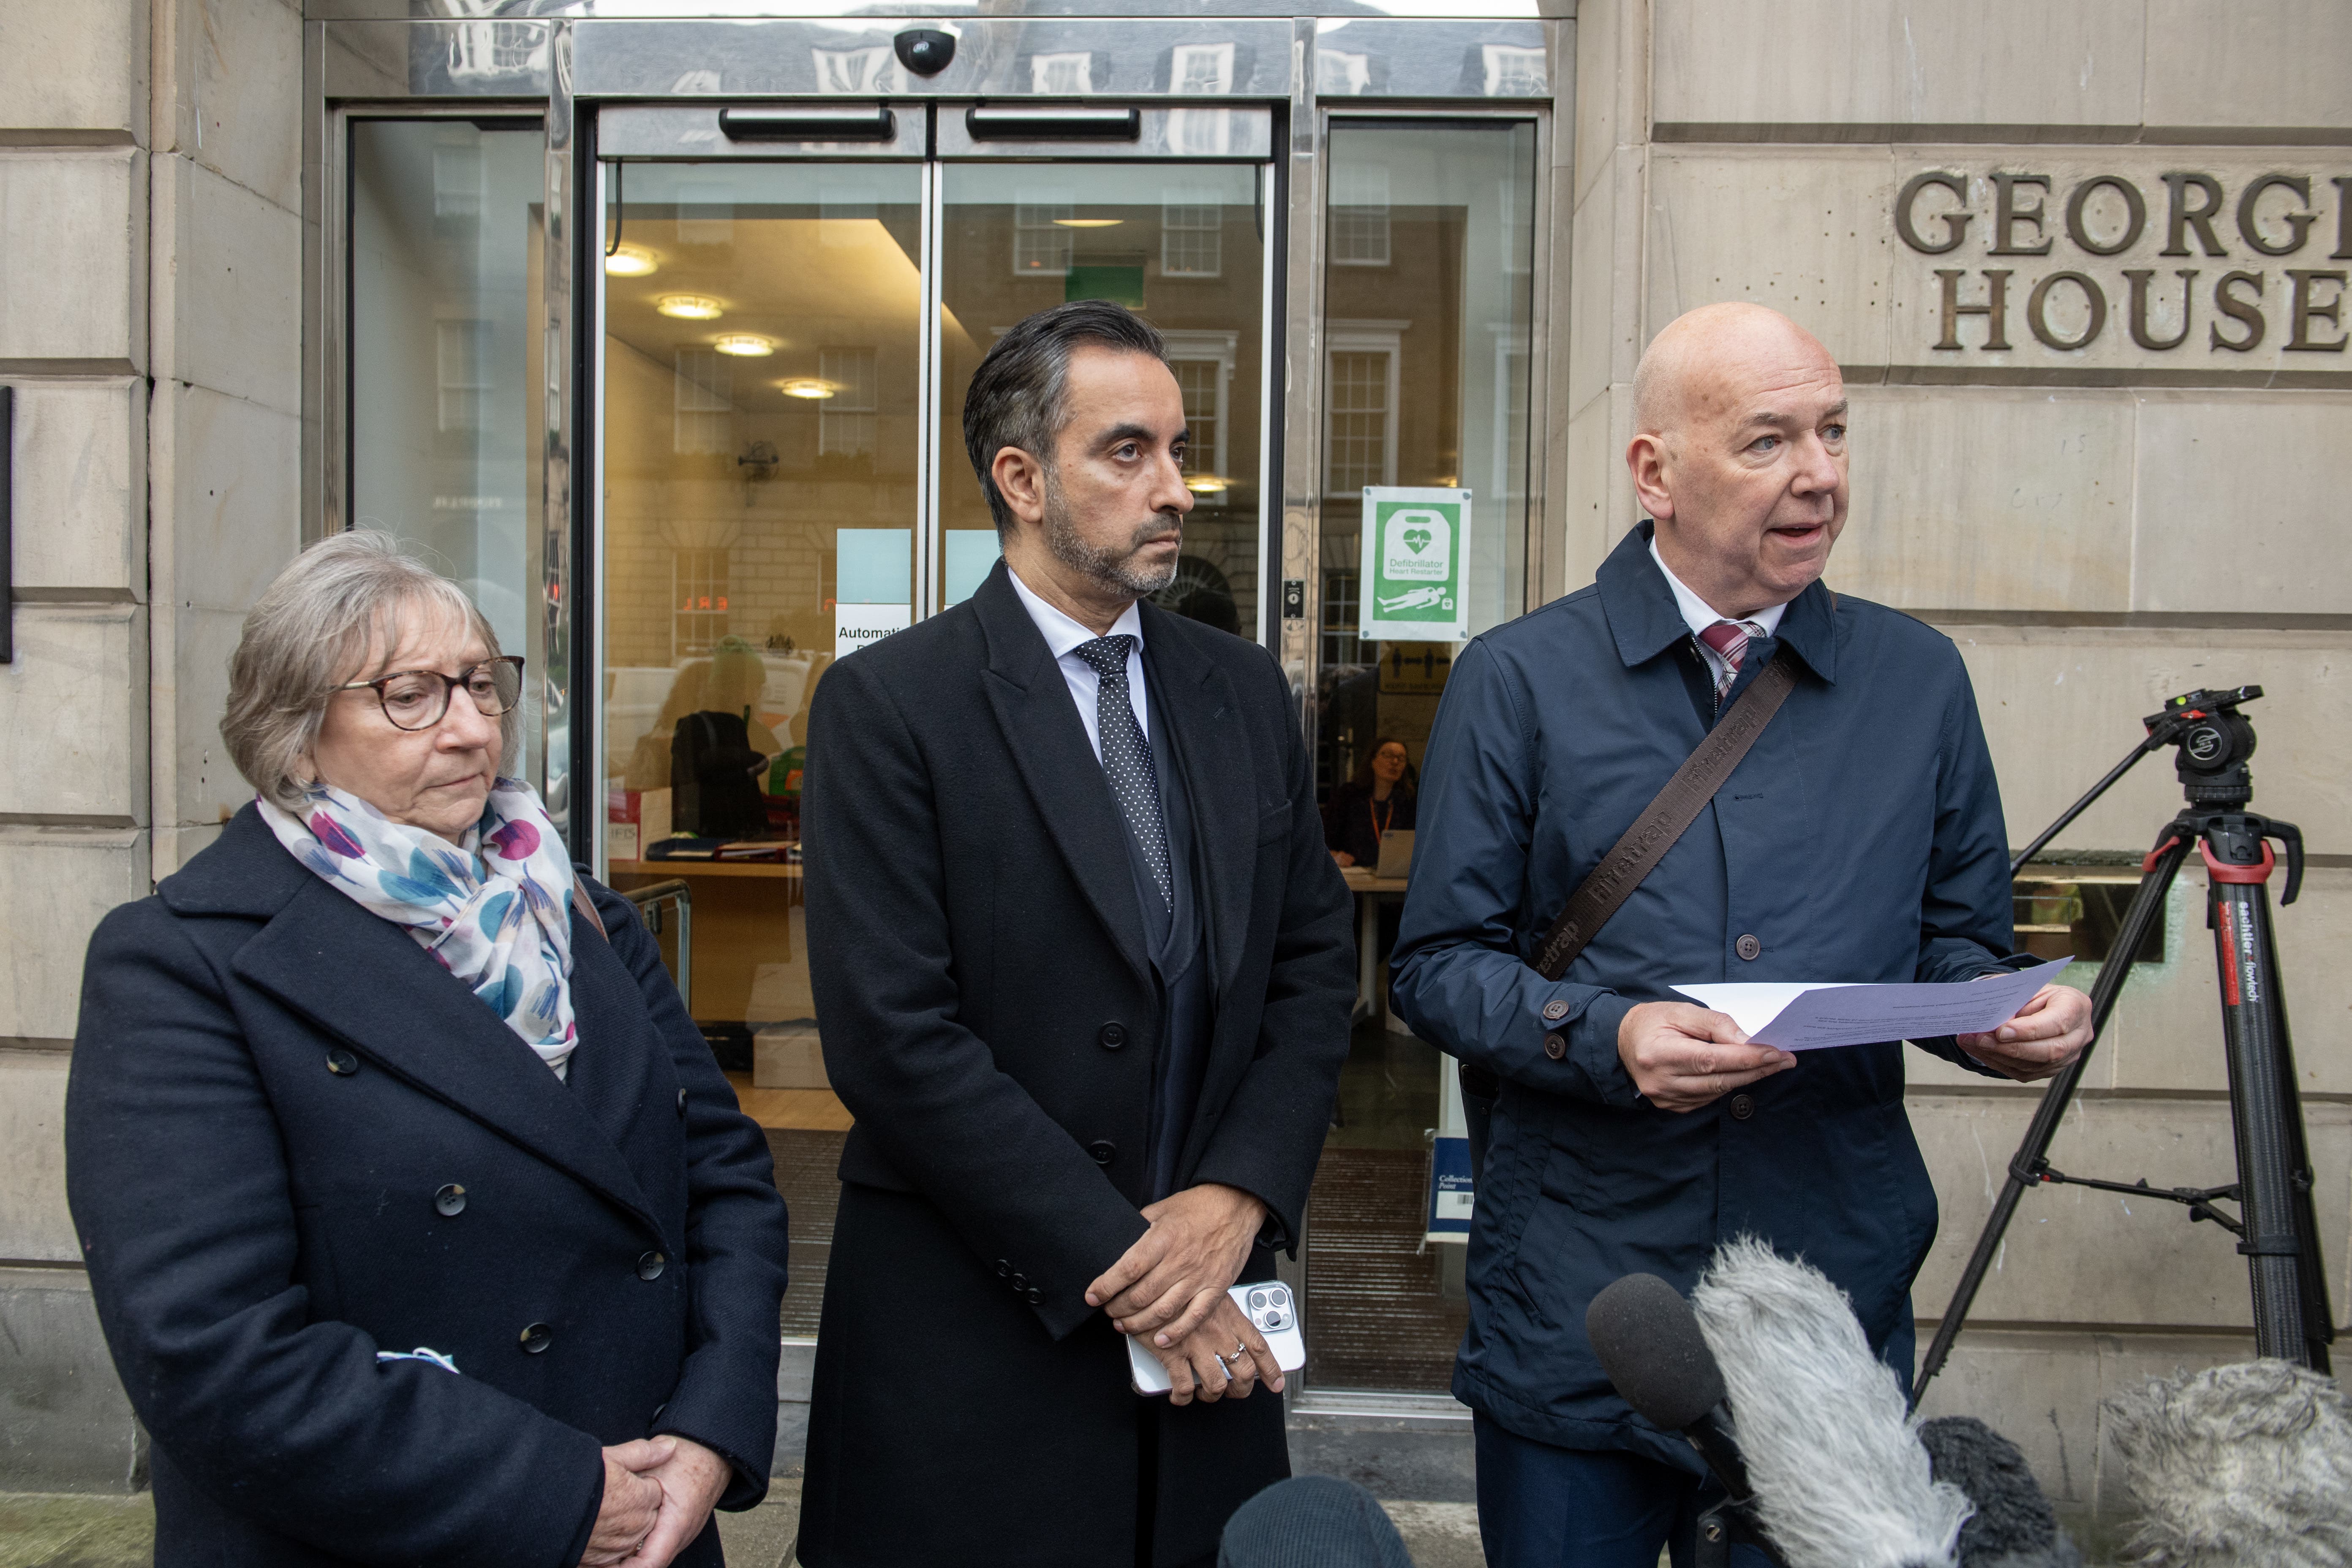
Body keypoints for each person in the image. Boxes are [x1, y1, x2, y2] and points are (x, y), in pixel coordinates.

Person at [1389, 302, 2095, 1568]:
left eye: (1832, 432)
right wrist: (1605, 1035)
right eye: (1768, 440)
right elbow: (1435, 968)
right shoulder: (1517, 677)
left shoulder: (1917, 678)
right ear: (1653, 471)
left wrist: (1999, 1009)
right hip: (1580, 1299)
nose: (1818, 475)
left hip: (1823, 1298)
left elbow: (1953, 943)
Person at [65, 532, 792, 1568]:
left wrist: (708, 1435)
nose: (467, 730)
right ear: (295, 734)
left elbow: (726, 1180)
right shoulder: (184, 964)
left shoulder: (580, 915)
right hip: (408, 1526)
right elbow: (212, 1349)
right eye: (409, 694)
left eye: (480, 685)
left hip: (651, 1521)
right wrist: (556, 1492)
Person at [795, 300, 1357, 1568]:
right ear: (1021, 479)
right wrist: (1124, 1260)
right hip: (978, 1336)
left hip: (1204, 1342)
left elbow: (1312, 966)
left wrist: (1236, 1193)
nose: (1175, 488)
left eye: (1178, 448)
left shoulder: (1241, 691)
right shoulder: (892, 705)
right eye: (1127, 451)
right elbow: (892, 1038)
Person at [1322, 736, 1418, 870]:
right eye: (1388, 755)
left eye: (1401, 758)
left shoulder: (1408, 801)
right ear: (1373, 761)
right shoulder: (1348, 796)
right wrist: (1334, 855)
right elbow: (1324, 838)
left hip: (1394, 878)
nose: (1395, 762)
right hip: (1354, 876)